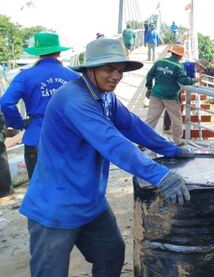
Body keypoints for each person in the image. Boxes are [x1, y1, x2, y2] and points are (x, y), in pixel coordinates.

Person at [19, 38, 193, 277]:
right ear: (90, 70)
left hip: (91, 201)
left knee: (111, 253)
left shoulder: (106, 97)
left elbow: (132, 125)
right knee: (50, 272)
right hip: (55, 206)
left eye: (120, 71)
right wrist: (161, 176)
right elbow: (113, 143)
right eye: (109, 69)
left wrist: (171, 149)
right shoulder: (75, 100)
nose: (116, 76)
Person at [0, 32, 79, 179]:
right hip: (68, 138)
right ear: (59, 51)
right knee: (68, 187)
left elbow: (5, 103)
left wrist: (19, 123)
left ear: (37, 53)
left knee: (39, 191)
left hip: (36, 137)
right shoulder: (73, 76)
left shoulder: (25, 76)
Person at [145, 44, 195, 145]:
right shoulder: (179, 66)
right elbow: (183, 80)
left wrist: (149, 88)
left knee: (151, 119)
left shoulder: (160, 62)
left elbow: (150, 75)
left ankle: (143, 141)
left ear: (171, 52)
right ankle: (177, 141)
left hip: (156, 94)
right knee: (176, 119)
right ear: (180, 56)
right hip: (170, 97)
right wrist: (194, 80)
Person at [163, 59, 209, 131]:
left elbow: (191, 81)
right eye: (203, 69)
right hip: (173, 86)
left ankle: (170, 125)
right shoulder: (188, 67)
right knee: (171, 106)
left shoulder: (192, 68)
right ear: (200, 66)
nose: (202, 71)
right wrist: (196, 80)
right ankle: (167, 127)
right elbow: (185, 80)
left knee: (177, 106)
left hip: (176, 87)